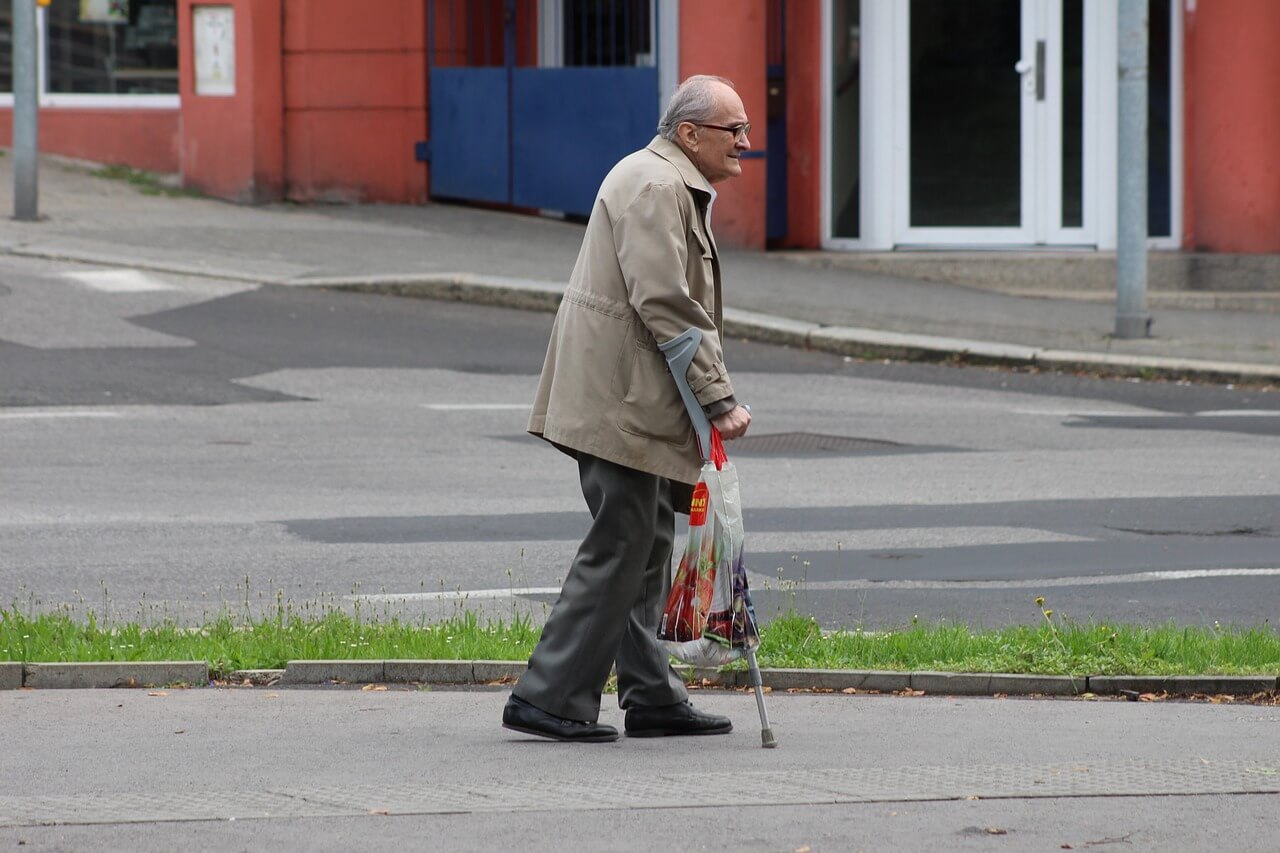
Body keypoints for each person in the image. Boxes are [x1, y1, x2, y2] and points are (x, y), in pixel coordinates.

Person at [502, 76, 754, 743]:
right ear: (690, 133)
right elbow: (665, 301)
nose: (746, 144)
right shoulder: (656, 185)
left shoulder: (667, 181)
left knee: (647, 542)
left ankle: (651, 695)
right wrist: (719, 397)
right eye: (736, 131)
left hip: (631, 396)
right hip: (618, 398)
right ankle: (549, 693)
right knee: (623, 539)